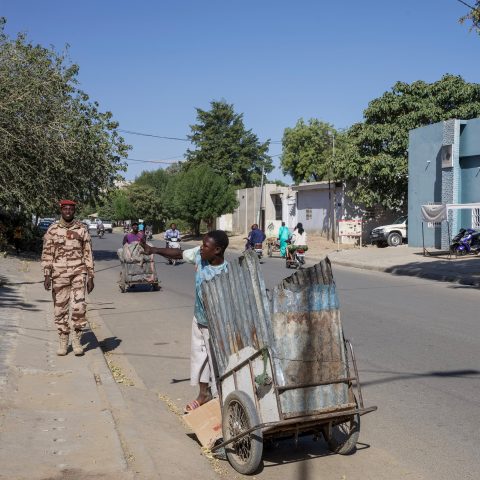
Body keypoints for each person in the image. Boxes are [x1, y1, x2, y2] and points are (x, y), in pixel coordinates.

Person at [142, 230, 229, 412]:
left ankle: (223, 400)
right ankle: (203, 394)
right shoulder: (200, 256)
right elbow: (180, 253)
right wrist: (154, 250)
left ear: (217, 250)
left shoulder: (226, 272)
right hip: (199, 319)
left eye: (206, 246)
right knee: (199, 358)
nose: (201, 248)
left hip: (217, 325)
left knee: (217, 363)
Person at [41, 200, 95, 356]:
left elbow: (88, 254)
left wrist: (91, 276)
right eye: (65, 209)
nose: (68, 211)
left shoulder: (82, 230)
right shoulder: (52, 230)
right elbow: (47, 254)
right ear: (61, 210)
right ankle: (63, 340)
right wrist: (46, 274)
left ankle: (77, 339)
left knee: (79, 307)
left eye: (71, 209)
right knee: (60, 309)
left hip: (79, 273)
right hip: (59, 275)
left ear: (74, 211)